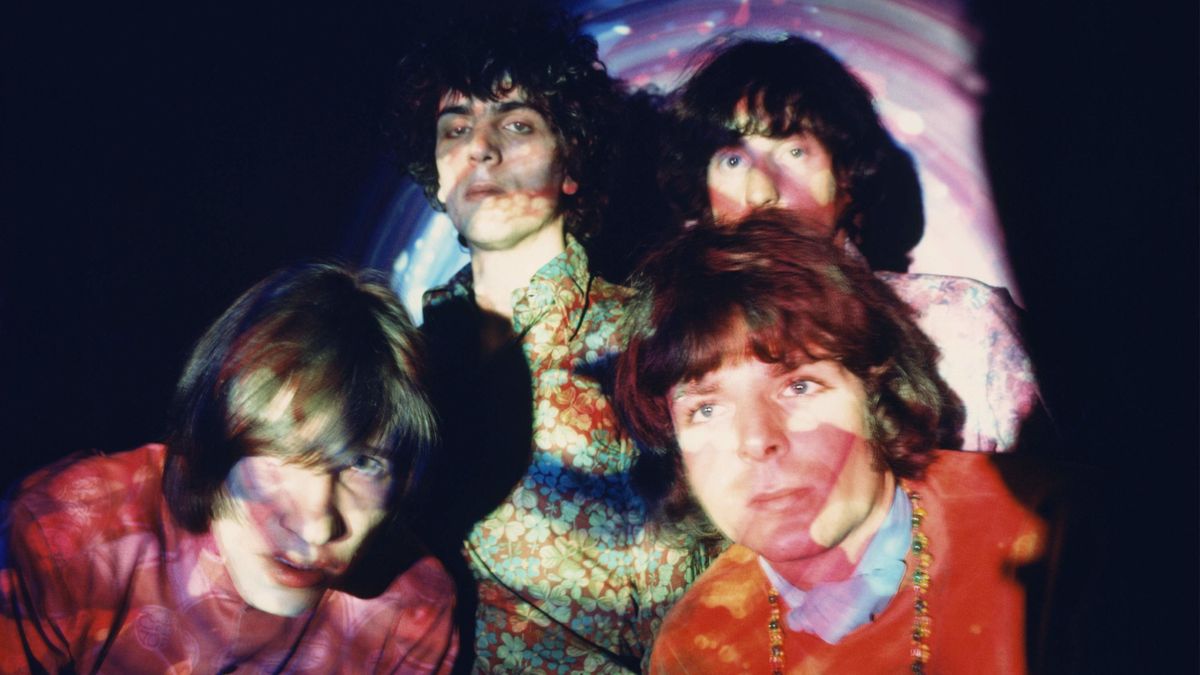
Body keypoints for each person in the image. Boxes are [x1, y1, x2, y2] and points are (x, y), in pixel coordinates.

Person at [388, 3, 707, 671]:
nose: (481, 147)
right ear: (437, 175)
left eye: (517, 124)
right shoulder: (399, 358)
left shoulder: (648, 338)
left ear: (572, 164)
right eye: (456, 128)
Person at [616, 215, 1049, 673]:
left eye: (799, 386)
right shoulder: (695, 648)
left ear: (874, 392)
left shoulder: (1050, 542)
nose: (758, 439)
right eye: (706, 409)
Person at [0, 264, 457, 673]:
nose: (317, 527)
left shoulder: (410, 615)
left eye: (363, 463)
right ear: (212, 437)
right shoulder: (68, 534)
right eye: (280, 450)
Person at [668, 36, 1043, 452]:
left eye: (794, 152)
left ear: (847, 178)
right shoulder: (678, 347)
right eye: (733, 160)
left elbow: (1046, 502)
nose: (760, 192)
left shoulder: (962, 323)